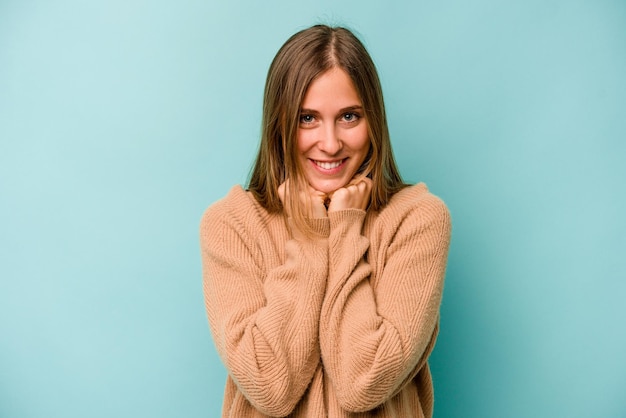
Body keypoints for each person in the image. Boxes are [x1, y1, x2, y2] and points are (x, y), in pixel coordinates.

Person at [200, 24, 451, 418]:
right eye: (307, 118)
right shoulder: (231, 225)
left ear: (374, 122)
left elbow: (361, 382)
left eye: (349, 116)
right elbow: (270, 387)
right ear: (278, 123)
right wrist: (313, 238)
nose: (331, 143)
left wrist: (346, 228)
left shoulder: (417, 220)